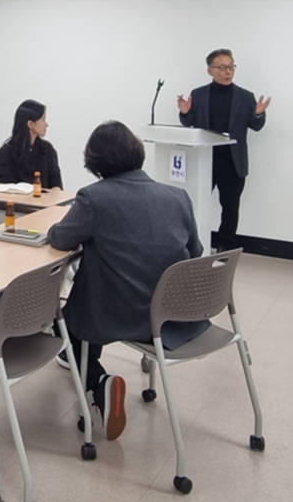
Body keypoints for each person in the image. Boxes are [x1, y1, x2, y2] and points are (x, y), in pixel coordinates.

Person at [48, 121, 209, 441]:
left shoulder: (94, 198)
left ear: (94, 161)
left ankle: (99, 382)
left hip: (115, 314)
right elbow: (196, 252)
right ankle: (85, 363)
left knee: (64, 315)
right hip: (172, 317)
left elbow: (60, 239)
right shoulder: (178, 197)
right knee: (91, 297)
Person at [177, 48, 270, 251]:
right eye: (222, 67)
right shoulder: (199, 94)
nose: (228, 72)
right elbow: (189, 122)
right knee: (196, 205)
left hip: (232, 161)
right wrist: (184, 112)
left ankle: (225, 248)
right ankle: (193, 245)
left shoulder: (245, 97)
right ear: (210, 71)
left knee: (230, 207)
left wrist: (258, 114)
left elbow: (256, 126)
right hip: (204, 159)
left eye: (231, 67)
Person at [0, 99, 62, 189]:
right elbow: (5, 187)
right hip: (16, 197)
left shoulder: (47, 149)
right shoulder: (5, 153)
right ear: (30, 124)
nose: (46, 124)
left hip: (44, 198)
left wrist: (55, 193)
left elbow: (56, 183)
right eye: (43, 119)